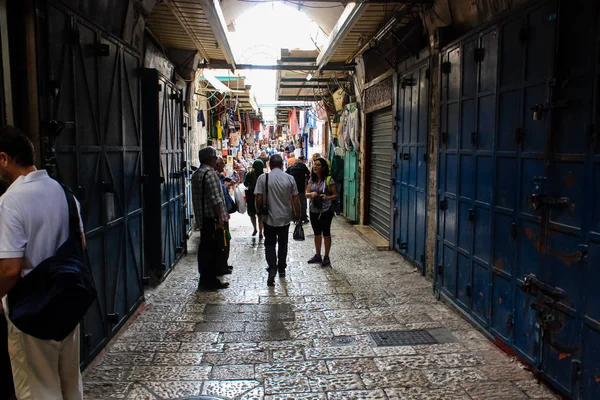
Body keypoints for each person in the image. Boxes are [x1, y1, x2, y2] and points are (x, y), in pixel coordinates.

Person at [0, 126, 84, 399]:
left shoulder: (10, 202)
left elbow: (11, 268)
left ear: (4, 158)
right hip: (66, 302)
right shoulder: (64, 193)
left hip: (30, 310)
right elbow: (80, 245)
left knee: (38, 389)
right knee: (70, 382)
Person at [255, 154, 301, 286]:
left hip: (269, 217)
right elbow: (296, 199)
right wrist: (298, 215)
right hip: (285, 217)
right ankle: (282, 268)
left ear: (269, 164)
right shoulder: (289, 178)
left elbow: (258, 197)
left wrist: (259, 210)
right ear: (282, 164)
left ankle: (272, 268)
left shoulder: (263, 178)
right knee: (283, 243)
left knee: (269, 244)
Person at [191, 147, 230, 290]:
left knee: (204, 250)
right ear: (210, 159)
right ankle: (211, 280)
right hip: (212, 219)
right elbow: (216, 199)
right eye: (215, 158)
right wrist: (221, 218)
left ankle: (205, 279)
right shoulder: (211, 174)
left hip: (202, 219)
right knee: (214, 250)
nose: (216, 160)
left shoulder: (196, 174)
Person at [306, 157, 338, 268]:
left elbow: (335, 195)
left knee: (326, 233)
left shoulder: (329, 180)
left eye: (318, 165)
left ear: (323, 167)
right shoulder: (312, 180)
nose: (315, 166)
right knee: (316, 233)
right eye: (314, 164)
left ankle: (326, 256)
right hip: (314, 210)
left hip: (326, 210)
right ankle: (318, 255)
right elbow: (306, 194)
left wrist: (327, 196)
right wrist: (312, 194)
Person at [215, 156, 235, 275]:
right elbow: (218, 198)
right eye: (222, 164)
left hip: (223, 214)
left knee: (225, 240)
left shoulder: (219, 177)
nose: (224, 166)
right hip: (220, 216)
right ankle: (222, 265)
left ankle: (224, 264)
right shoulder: (215, 178)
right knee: (222, 241)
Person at [244, 159, 265, 239]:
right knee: (260, 214)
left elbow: (245, 184)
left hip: (251, 195)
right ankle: (260, 232)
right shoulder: (263, 175)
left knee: (252, 213)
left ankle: (255, 229)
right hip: (261, 195)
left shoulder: (249, 174)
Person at [286, 155, 310, 223]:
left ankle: (295, 217)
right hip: (301, 187)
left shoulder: (290, 167)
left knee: (293, 202)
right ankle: (304, 217)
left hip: (292, 188)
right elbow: (308, 174)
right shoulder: (303, 166)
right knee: (302, 202)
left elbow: (286, 174)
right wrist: (308, 182)